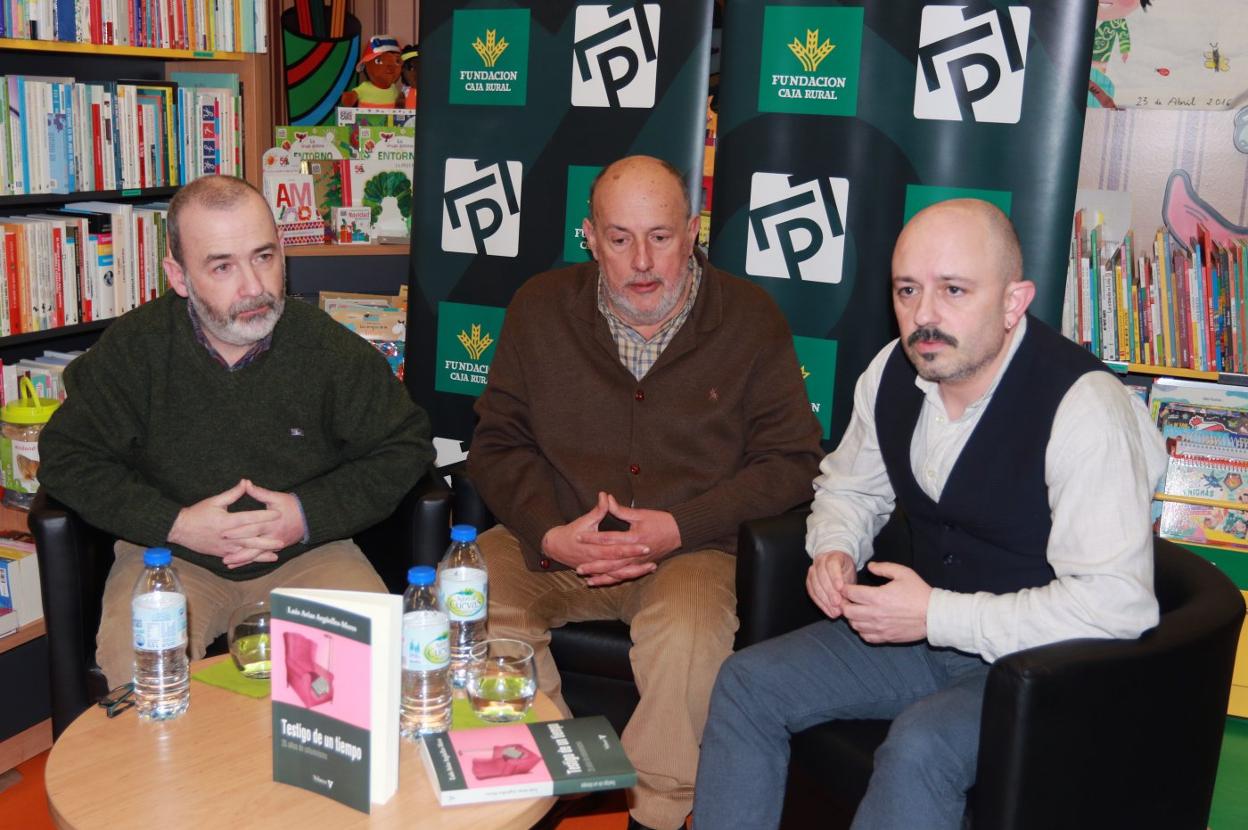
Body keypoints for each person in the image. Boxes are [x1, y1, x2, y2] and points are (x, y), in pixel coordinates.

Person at [692, 199, 1168, 829]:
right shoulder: (889, 372)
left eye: (954, 290)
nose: (925, 317)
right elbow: (850, 488)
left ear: (1013, 301)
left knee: (920, 747)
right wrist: (835, 547)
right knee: (746, 684)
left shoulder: (1083, 410)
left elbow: (1116, 606)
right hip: (921, 640)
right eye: (908, 290)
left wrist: (937, 613)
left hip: (1044, 669)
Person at [468, 155, 823, 830]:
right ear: (590, 237)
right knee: (472, 597)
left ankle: (650, 816)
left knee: (688, 638)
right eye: (620, 237)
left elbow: (792, 461)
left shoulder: (750, 318)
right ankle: (544, 791)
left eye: (660, 236)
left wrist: (679, 526)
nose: (641, 262)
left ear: (692, 232)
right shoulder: (539, 306)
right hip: (556, 540)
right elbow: (496, 442)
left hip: (690, 551)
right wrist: (548, 531)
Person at [38, 175, 434, 689]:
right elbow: (67, 456)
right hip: (170, 557)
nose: (254, 287)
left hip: (308, 555)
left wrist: (307, 515)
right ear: (178, 277)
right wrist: (174, 523)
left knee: (372, 674)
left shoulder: (328, 351)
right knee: (140, 676)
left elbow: (405, 445)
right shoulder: (135, 351)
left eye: (264, 257)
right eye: (223, 266)